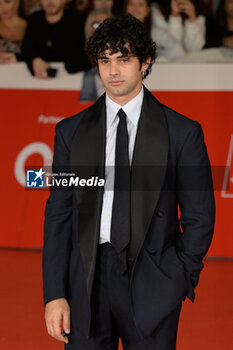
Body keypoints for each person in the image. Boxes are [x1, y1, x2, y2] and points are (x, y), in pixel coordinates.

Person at [43, 14, 215, 350]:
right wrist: (55, 294)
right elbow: (59, 215)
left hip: (152, 279)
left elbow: (199, 217)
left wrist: (177, 278)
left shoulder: (182, 133)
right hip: (87, 282)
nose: (113, 71)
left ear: (145, 62)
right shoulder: (70, 132)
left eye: (124, 59)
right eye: (105, 60)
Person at [21, 0, 88, 78]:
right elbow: (26, 47)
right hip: (37, 80)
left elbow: (81, 54)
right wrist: (35, 59)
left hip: (72, 79)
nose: (50, 1)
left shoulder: (77, 20)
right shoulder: (34, 19)